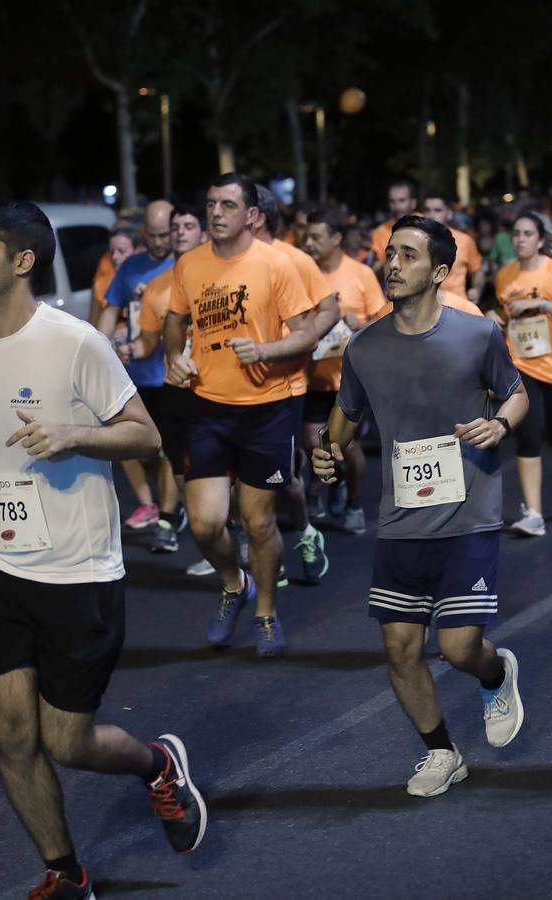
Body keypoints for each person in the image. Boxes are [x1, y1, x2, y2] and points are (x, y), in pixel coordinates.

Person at [0, 201, 205, 898]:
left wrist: (73, 434)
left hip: (77, 573)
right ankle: (65, 872)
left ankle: (156, 766)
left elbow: (145, 436)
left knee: (66, 741)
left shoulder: (76, 342)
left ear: (22, 262)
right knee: (11, 735)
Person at [311, 214, 527, 797]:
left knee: (458, 647)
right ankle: (442, 753)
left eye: (408, 255)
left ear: (439, 271)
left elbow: (515, 391)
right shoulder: (365, 346)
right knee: (400, 648)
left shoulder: (476, 333)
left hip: (469, 511)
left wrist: (500, 426)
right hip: (403, 517)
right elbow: (346, 416)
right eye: (390, 253)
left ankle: (495, 671)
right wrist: (327, 453)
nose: (393, 263)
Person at [164, 173, 328, 657]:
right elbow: (174, 321)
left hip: (268, 408)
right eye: (211, 203)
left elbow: (306, 333)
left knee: (258, 525)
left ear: (250, 214)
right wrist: (175, 357)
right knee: (204, 524)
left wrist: (265, 351)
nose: (216, 213)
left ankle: (267, 615)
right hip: (208, 406)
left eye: (228, 205)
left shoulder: (276, 265)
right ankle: (236, 585)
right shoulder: (189, 265)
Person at [252, 187, 339, 584]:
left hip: (285, 383)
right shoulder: (219, 263)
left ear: (256, 217)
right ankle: (266, 552)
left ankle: (304, 531)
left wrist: (304, 339)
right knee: (245, 476)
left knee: (282, 473)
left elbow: (329, 308)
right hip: (232, 387)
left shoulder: (293, 259)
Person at [490, 212, 552, 536]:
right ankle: (533, 512)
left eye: (528, 233)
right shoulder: (505, 276)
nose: (521, 239)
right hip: (522, 364)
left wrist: (542, 304)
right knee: (528, 432)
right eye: (516, 233)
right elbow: (503, 314)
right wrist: (495, 316)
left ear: (540, 239)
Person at [120, 204, 206, 559]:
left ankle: (238, 537)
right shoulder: (157, 287)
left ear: (202, 234)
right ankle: (170, 520)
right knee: (175, 458)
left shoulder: (221, 274)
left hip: (222, 389)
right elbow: (149, 340)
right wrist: (128, 349)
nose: (180, 233)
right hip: (176, 385)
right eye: (176, 227)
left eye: (188, 225)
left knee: (215, 468)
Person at [302, 208, 387, 534]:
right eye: (306, 237)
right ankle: (334, 482)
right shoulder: (303, 273)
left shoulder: (360, 275)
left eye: (316, 237)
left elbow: (382, 322)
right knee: (314, 440)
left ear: (336, 238)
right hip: (312, 374)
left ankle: (353, 501)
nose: (308, 243)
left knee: (345, 444)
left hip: (350, 378)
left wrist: (359, 324)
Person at [97, 201, 178, 534]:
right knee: (125, 444)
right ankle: (149, 503)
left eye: (165, 234)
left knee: (166, 450)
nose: (160, 242)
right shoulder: (131, 267)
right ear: (145, 232)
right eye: (153, 235)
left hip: (171, 374)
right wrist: (101, 349)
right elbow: (109, 310)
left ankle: (168, 518)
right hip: (134, 374)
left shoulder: (185, 265)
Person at [422, 190, 485, 304]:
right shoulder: (413, 241)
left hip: (457, 309)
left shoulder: (465, 241)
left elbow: (477, 271)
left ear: (449, 213)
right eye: (427, 210)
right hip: (423, 311)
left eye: (438, 210)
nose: (431, 215)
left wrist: (477, 289)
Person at [371, 178, 420, 277]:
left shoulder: (428, 226)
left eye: (402, 200)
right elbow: (375, 270)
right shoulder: (380, 232)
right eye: (392, 201)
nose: (397, 206)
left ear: (413, 203)